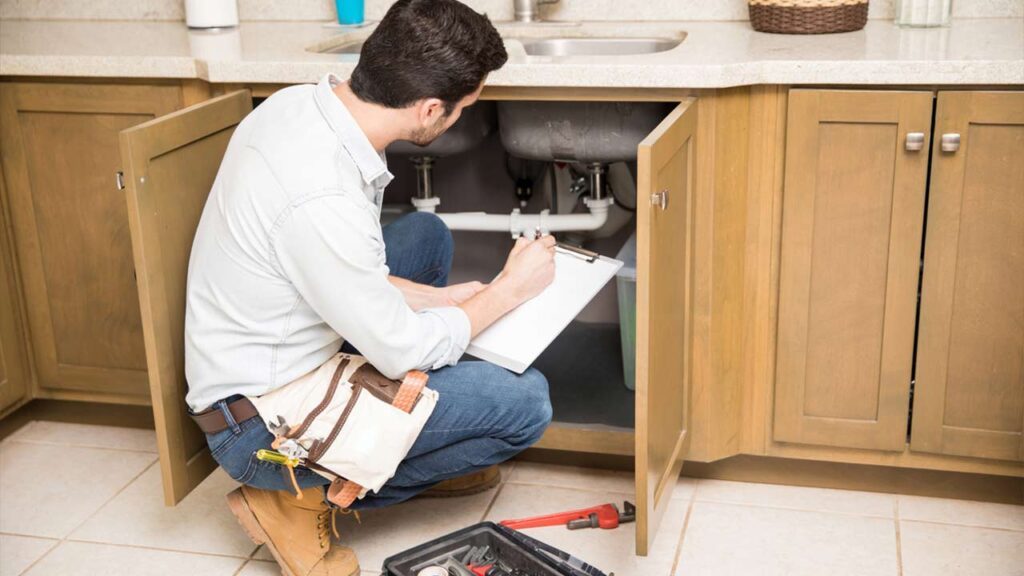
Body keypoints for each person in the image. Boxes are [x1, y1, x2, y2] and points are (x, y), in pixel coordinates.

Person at [183, 1, 555, 574]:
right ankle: (294, 495)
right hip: (258, 421)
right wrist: (507, 290)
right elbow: (401, 348)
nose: (459, 117)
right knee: (525, 404)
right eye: (463, 109)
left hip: (274, 339)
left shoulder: (298, 104)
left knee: (425, 236)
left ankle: (396, 440)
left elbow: (332, 269)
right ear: (431, 108)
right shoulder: (321, 195)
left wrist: (441, 299)